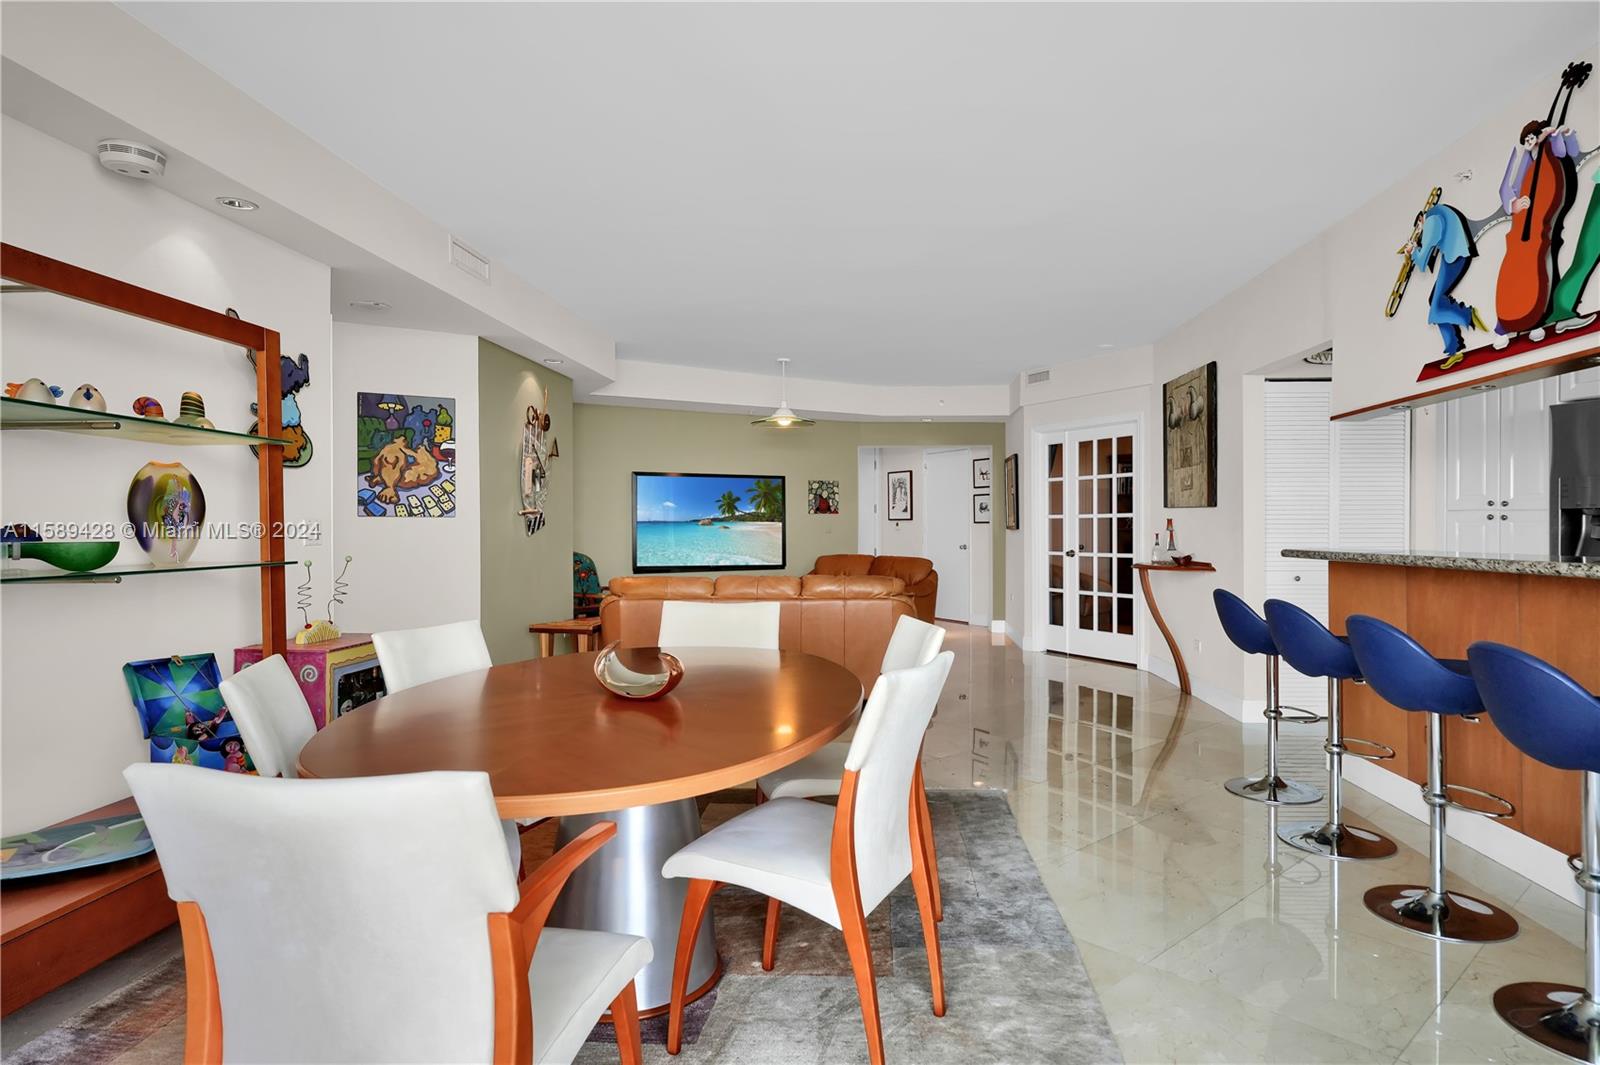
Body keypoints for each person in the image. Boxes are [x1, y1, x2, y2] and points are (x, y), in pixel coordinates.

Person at [1402, 202, 1483, 361]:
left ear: (1421, 220)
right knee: (1434, 301)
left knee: (1436, 305)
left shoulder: (1431, 220)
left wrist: (1412, 251)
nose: (1419, 232)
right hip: (1455, 254)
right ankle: (1454, 348)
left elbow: (1422, 261)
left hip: (1456, 256)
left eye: (1418, 228)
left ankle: (1467, 316)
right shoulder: (1437, 213)